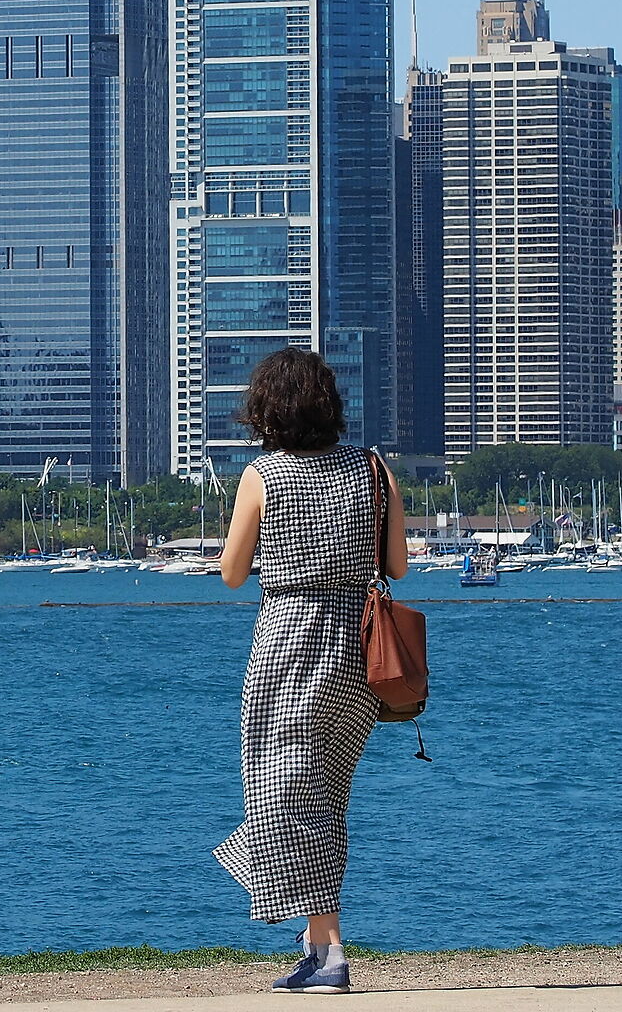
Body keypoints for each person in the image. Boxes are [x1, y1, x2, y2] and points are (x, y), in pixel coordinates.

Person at [212, 349, 407, 993]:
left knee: (280, 795)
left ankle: (331, 948)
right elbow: (398, 567)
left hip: (289, 646)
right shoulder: (374, 470)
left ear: (266, 409)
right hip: (358, 650)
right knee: (324, 795)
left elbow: (233, 573)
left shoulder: (263, 476)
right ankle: (317, 948)